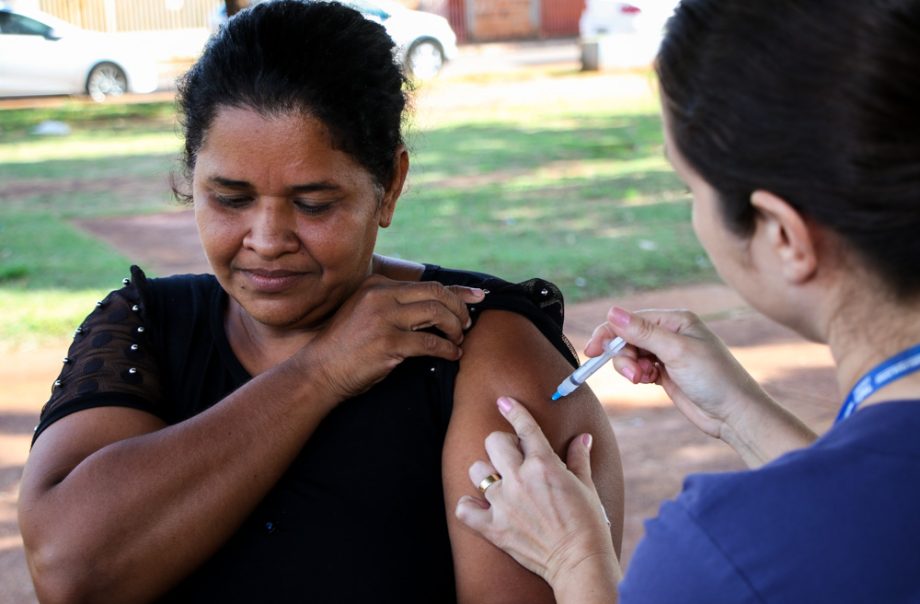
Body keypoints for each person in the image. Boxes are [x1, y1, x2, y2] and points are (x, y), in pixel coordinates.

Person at [16, 2, 624, 602]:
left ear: (389, 187)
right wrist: (319, 373)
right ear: (189, 178)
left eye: (314, 204)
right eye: (230, 198)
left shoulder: (476, 346)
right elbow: (72, 573)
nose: (267, 240)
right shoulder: (144, 325)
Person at [455, 0, 920, 601]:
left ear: (781, 234)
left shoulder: (727, 550)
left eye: (689, 187)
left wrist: (577, 560)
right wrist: (740, 414)